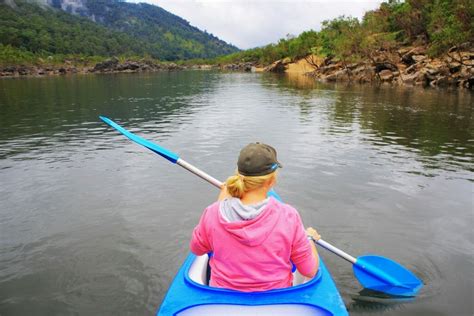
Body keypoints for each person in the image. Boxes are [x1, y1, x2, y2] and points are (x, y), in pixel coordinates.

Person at [190, 142, 321, 292]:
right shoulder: (288, 216)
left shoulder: (212, 213)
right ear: (272, 181)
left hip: (223, 299)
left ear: (237, 175)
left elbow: (197, 249)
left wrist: (221, 201)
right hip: (275, 299)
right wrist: (309, 238)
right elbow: (309, 270)